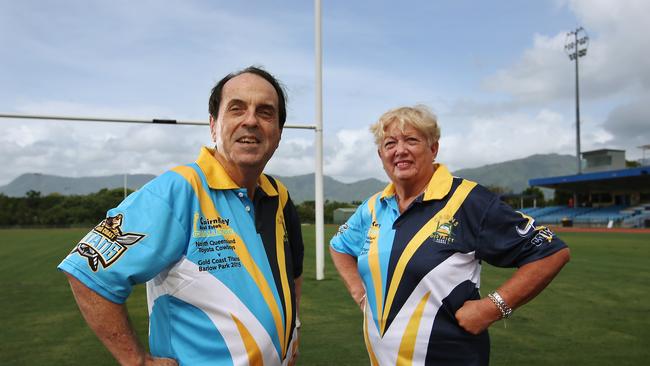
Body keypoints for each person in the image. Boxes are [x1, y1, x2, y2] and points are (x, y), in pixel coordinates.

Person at [58, 66, 304, 366]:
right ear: (214, 125)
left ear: (279, 132)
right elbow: (87, 271)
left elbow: (293, 275)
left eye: (265, 112)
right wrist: (136, 360)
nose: (250, 120)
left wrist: (292, 332)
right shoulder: (179, 190)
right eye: (236, 109)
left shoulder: (280, 197)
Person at [329, 105, 570, 365]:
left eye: (412, 140)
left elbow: (550, 251)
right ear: (381, 154)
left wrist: (493, 307)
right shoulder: (373, 207)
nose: (400, 150)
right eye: (390, 143)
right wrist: (359, 292)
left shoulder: (468, 199)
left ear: (433, 148)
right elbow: (339, 246)